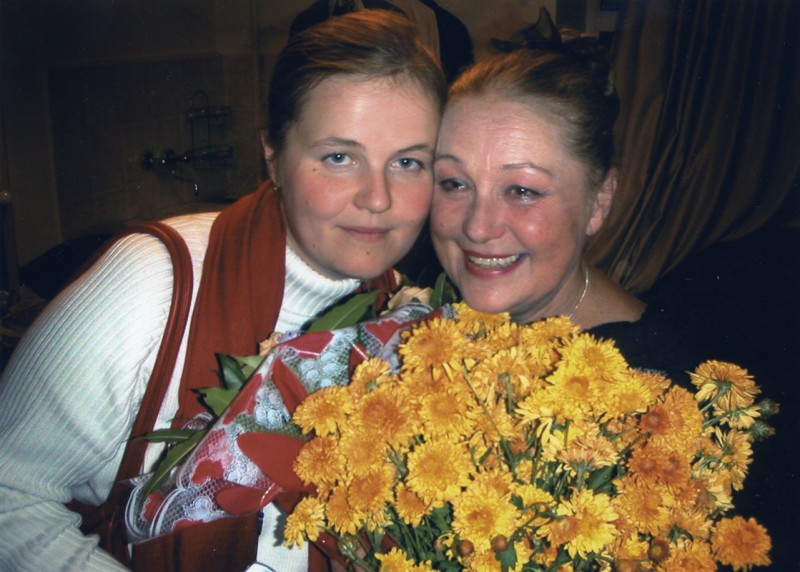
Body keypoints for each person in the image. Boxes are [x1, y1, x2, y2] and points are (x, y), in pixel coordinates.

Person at [0, 9, 445, 572]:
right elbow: (9, 498)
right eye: (339, 157)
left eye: (408, 162)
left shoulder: (411, 323)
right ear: (273, 157)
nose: (377, 198)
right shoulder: (157, 280)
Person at [430, 38, 703, 381]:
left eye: (522, 191)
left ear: (599, 202)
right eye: (454, 183)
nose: (477, 228)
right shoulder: (420, 323)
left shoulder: (650, 392)